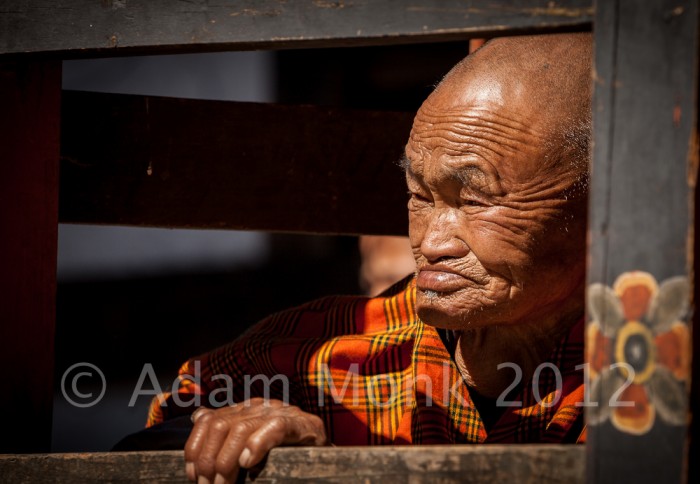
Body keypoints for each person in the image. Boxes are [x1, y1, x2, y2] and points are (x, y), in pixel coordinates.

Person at [143, 33, 592, 483]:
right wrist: (272, 456)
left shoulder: (644, 378)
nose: (431, 242)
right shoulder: (310, 358)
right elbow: (158, 440)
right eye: (419, 195)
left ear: (599, 212)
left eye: (474, 201)